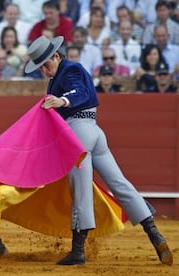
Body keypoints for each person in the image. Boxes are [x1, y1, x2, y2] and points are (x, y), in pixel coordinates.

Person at [24, 35, 173, 266]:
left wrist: (62, 101)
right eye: (40, 67)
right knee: (120, 184)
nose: (44, 70)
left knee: (80, 191)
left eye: (46, 63)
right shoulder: (57, 79)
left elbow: (79, 92)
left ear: (56, 55)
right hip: (94, 131)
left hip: (78, 135)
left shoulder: (70, 69)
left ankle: (78, 251)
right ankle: (155, 235)